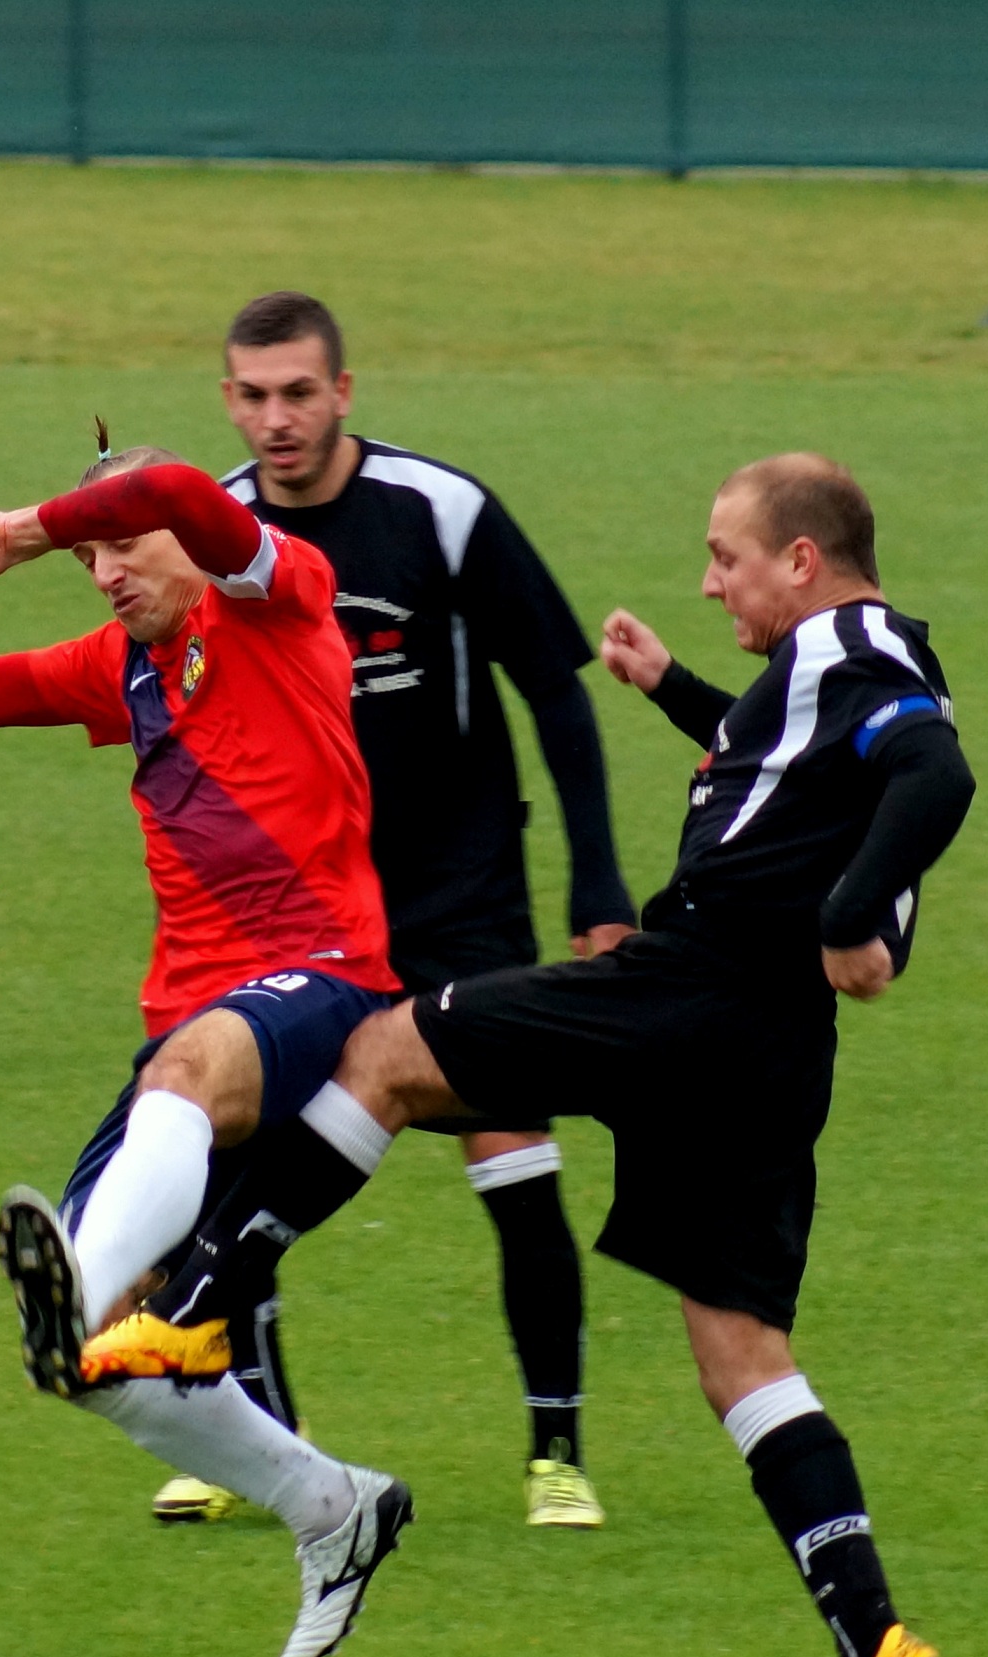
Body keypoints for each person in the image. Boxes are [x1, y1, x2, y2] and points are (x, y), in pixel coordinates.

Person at [161, 455, 971, 1657]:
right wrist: (673, 695)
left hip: (690, 988)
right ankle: (874, 1646)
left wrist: (851, 908)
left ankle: (202, 1301)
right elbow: (799, 772)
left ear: (805, 562)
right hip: (768, 1045)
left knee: (382, 1047)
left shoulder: (858, 640)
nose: (711, 581)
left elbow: (934, 773)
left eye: (727, 556)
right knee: (743, 1357)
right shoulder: (823, 668)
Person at [0, 423, 414, 1657]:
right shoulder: (127, 669)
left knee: (176, 1098)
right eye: (91, 554)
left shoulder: (275, 598)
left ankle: (76, 1267)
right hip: (193, 1018)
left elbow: (170, 484)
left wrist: (22, 525)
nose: (106, 570)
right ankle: (332, 1506)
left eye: (123, 546)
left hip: (326, 975)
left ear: (194, 539)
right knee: (98, 1362)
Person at [136, 291, 634, 1531]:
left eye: (299, 392)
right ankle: (253, 1436)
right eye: (251, 395)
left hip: (456, 891)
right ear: (225, 399)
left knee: (510, 1158)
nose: (276, 418)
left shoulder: (439, 511)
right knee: (222, 1171)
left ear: (344, 391)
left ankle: (554, 1453)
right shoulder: (213, 526)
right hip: (292, 909)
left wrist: (597, 881)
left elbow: (557, 694)